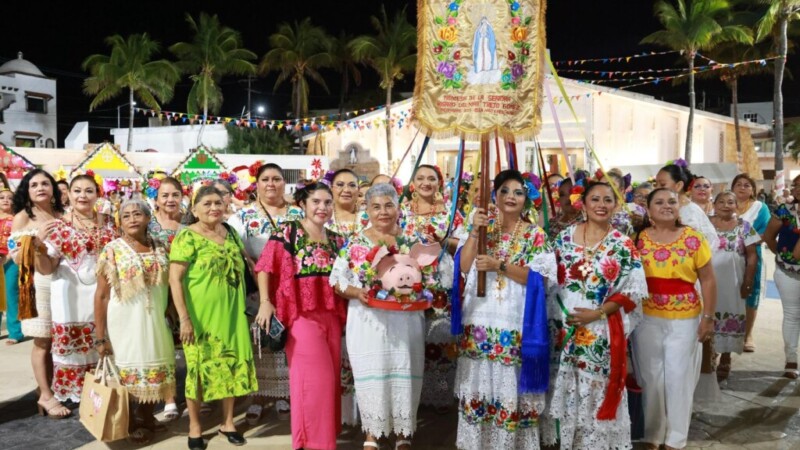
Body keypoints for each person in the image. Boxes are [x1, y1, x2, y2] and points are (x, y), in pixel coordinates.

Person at [330, 183, 444, 450]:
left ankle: (403, 432)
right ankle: (372, 432)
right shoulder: (356, 242)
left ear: (398, 207)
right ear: (366, 210)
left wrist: (425, 291)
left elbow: (434, 278)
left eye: (389, 205)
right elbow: (337, 281)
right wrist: (358, 293)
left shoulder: (413, 240)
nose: (383, 212)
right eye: (376, 206)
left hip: (406, 322)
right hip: (368, 322)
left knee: (405, 371)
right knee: (372, 373)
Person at [454, 170, 556, 450]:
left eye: (518, 192)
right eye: (505, 191)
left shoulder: (535, 235)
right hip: (479, 316)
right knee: (480, 385)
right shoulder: (481, 227)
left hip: (516, 317)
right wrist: (475, 233)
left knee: (509, 385)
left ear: (527, 199)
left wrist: (500, 266)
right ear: (494, 195)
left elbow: (540, 278)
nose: (511, 197)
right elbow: (462, 267)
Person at [550, 181, 647, 449]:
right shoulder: (564, 238)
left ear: (616, 205)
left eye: (607, 200)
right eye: (595, 199)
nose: (601, 205)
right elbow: (548, 280)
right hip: (565, 327)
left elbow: (632, 292)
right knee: (569, 387)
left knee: (596, 388)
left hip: (601, 330)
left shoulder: (623, 244)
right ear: (583, 203)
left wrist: (597, 313)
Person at [255, 182, 346, 450]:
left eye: (327, 202)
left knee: (330, 381)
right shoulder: (288, 232)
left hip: (331, 315)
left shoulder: (336, 239)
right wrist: (265, 302)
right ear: (302, 205)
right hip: (301, 317)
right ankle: (313, 443)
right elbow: (264, 267)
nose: (323, 207)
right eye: (316, 202)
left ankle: (323, 437)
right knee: (314, 382)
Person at [169, 185, 257, 450]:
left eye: (218, 203)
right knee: (198, 368)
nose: (213, 208)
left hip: (233, 313)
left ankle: (228, 422)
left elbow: (250, 264)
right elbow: (174, 280)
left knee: (231, 363)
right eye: (206, 204)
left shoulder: (230, 233)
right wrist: (184, 318)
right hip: (200, 317)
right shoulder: (186, 237)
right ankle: (195, 426)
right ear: (194, 209)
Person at [632, 188, 717, 450]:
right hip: (646, 318)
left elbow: (708, 279)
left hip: (685, 319)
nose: (667, 206)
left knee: (678, 377)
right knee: (651, 378)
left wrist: (708, 317)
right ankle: (653, 436)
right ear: (648, 208)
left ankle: (676, 439)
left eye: (672, 201)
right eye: (659, 202)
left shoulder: (693, 238)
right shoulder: (638, 239)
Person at [94, 199, 176, 444]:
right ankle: (132, 422)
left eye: (137, 213)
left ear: (149, 218)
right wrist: (101, 336)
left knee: (154, 369)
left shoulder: (161, 247)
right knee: (129, 371)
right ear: (120, 221)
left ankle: (147, 417)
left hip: (155, 321)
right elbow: (101, 295)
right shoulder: (112, 249)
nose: (132, 219)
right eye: (126, 215)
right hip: (124, 323)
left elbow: (170, 286)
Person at [226, 162, 302, 424]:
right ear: (256, 184)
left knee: (287, 341)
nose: (271, 184)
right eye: (266, 179)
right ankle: (258, 396)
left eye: (277, 179)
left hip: (291, 289)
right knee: (260, 341)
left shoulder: (298, 213)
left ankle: (286, 394)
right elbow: (233, 246)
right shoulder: (244, 216)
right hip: (257, 290)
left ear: (285, 183)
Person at [35, 174, 116, 402]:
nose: (83, 195)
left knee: (104, 340)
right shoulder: (58, 226)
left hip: (104, 295)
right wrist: (38, 248)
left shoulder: (109, 222)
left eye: (89, 191)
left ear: (97, 195)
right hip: (70, 296)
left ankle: (104, 392)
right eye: (77, 190)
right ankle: (78, 395)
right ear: (68, 195)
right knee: (75, 349)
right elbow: (47, 268)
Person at [400, 164, 459, 412]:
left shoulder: (450, 212)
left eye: (431, 179)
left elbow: (463, 247)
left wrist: (443, 239)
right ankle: (412, 396)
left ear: (439, 183)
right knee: (411, 339)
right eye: (421, 178)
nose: (426, 182)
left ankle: (441, 395)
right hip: (407, 282)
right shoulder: (402, 212)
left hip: (440, 285)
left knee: (440, 339)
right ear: (413, 182)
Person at [9, 169, 67, 417]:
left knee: (59, 341)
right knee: (42, 340)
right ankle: (45, 395)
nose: (41, 188)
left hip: (63, 282)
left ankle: (46, 387)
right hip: (33, 283)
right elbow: (16, 257)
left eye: (45, 183)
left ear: (53, 188)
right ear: (27, 191)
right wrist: (37, 242)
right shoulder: (23, 217)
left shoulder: (62, 215)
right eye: (34, 185)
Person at [325, 169, 367, 427]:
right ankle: (337, 415)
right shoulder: (322, 218)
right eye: (339, 184)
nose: (346, 190)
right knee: (335, 354)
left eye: (352, 184)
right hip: (330, 295)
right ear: (331, 188)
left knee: (359, 353)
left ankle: (363, 414)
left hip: (361, 298)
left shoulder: (367, 219)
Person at [709, 191, 759, 382]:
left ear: (736, 206)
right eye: (721, 201)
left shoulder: (743, 226)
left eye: (730, 202)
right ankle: (710, 353)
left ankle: (726, 356)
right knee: (709, 314)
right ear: (714, 204)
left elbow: (752, 256)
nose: (726, 205)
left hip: (733, 281)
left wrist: (748, 281)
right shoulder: (706, 223)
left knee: (731, 313)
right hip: (708, 281)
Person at [763, 174, 800, 379]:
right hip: (789, 272)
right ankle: (791, 359)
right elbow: (768, 236)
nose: (798, 189)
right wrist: (782, 255)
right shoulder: (784, 210)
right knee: (793, 314)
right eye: (796, 185)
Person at [731, 173, 771, 352]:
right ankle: (727, 332)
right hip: (727, 258)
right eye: (738, 184)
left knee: (749, 295)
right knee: (728, 295)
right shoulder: (725, 204)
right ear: (732, 188)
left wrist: (745, 242)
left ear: (753, 190)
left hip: (751, 257)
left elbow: (765, 233)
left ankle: (747, 335)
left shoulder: (759, 207)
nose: (742, 187)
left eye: (747, 185)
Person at [0, 186, 22, 345]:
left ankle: (15, 332)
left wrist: (7, 257)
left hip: (11, 260)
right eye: (2, 197)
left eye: (9, 197)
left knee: (10, 295)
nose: (6, 200)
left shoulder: (16, 220)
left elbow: (17, 241)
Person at [149, 176, 184, 250]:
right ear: (156, 200)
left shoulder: (191, 222)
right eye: (165, 196)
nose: (170, 200)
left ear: (182, 198)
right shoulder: (147, 224)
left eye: (175, 195)